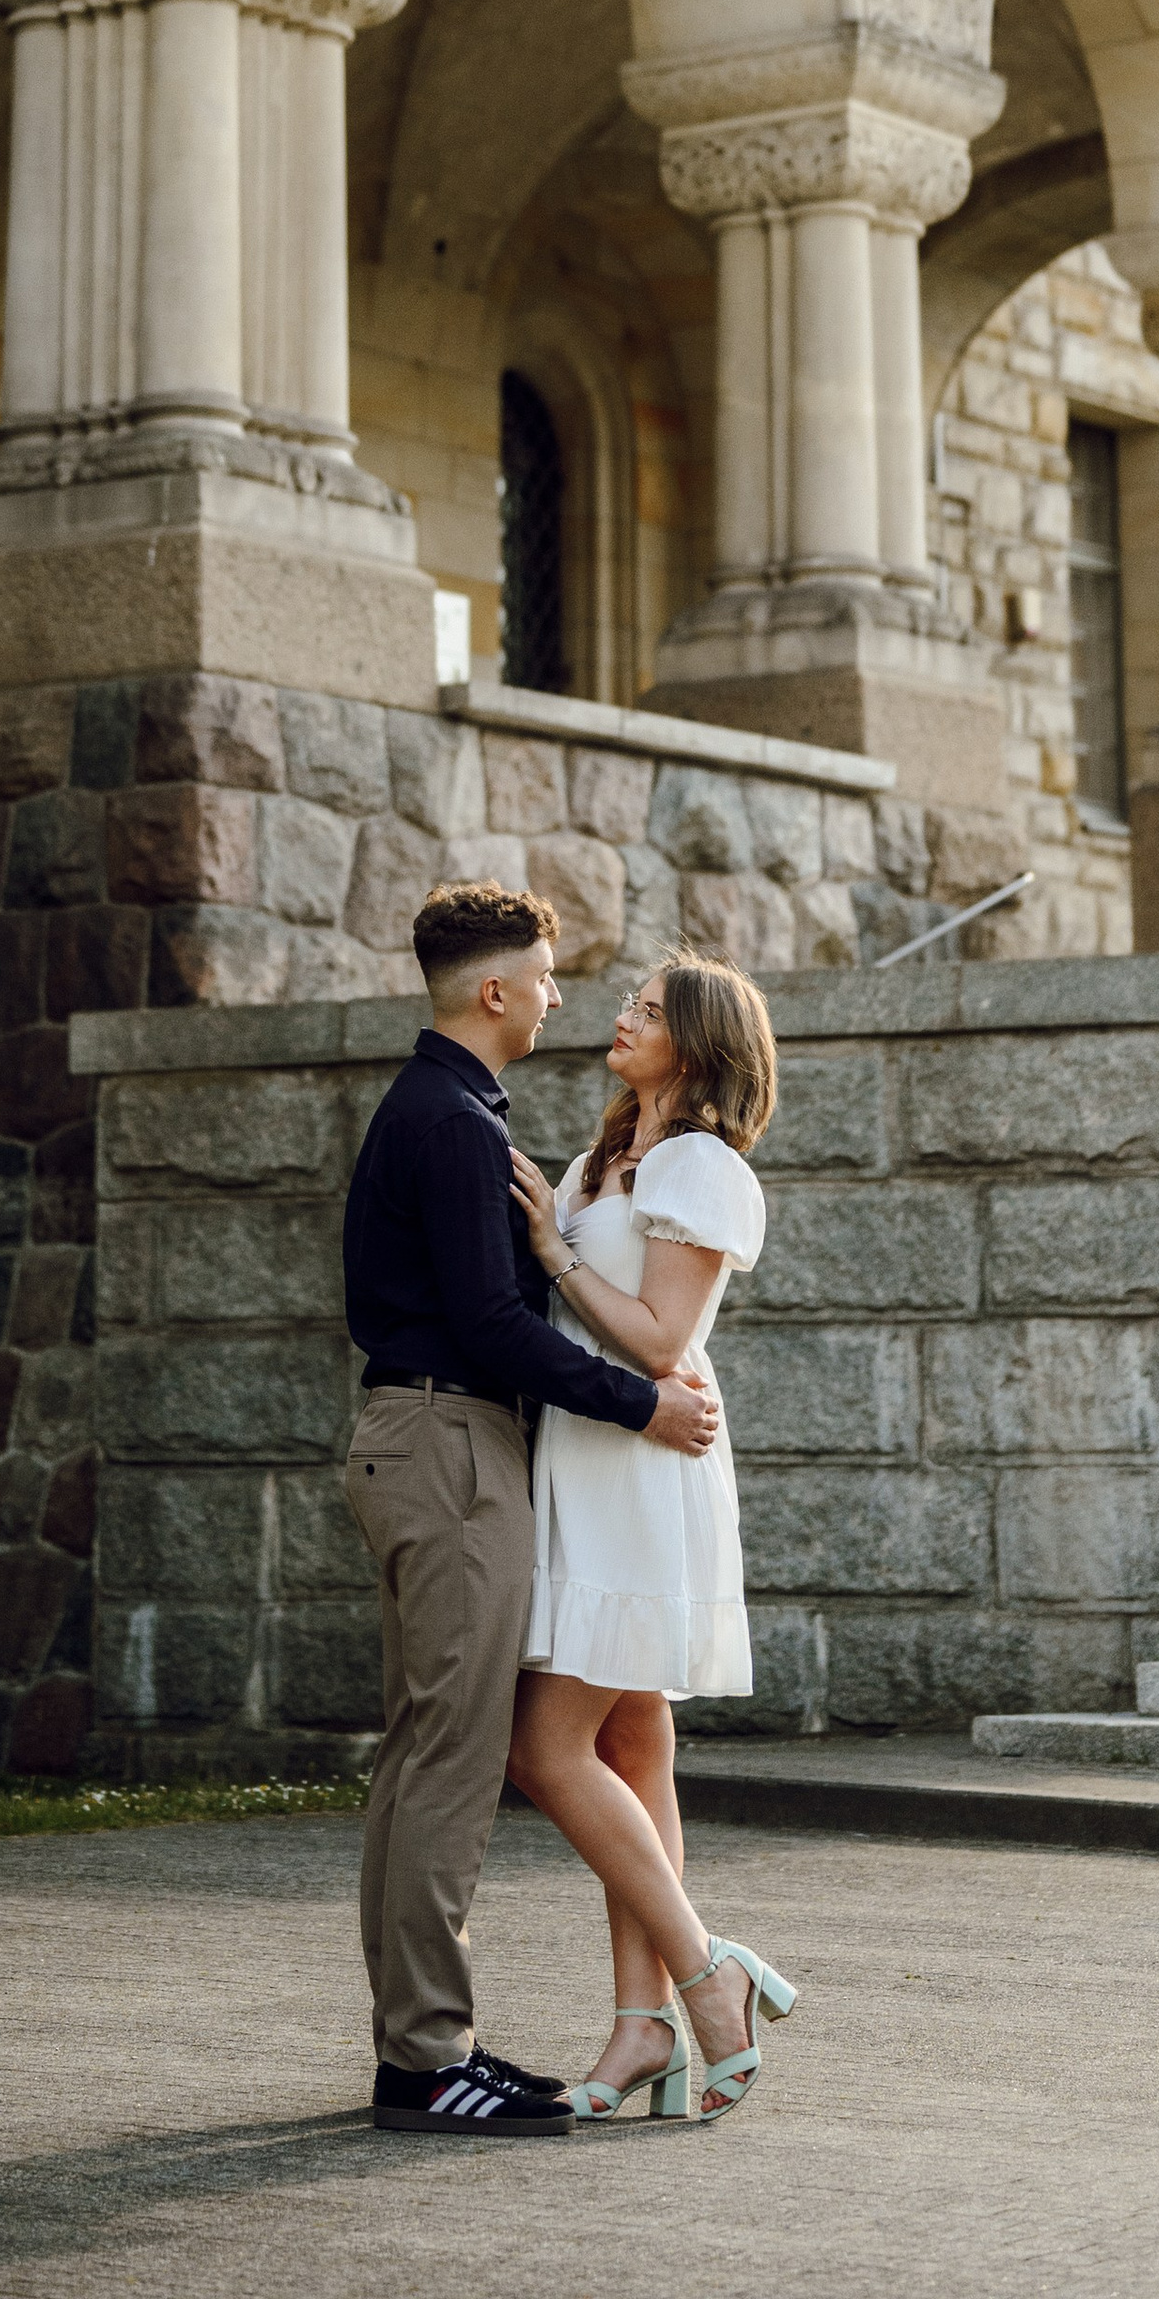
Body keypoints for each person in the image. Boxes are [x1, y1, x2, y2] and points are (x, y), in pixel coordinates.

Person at [341, 879, 723, 2138]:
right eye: (548, 976)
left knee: (425, 1750)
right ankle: (426, 2059)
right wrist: (639, 1402)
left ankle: (419, 2047)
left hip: (433, 1441)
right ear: (496, 988)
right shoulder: (452, 1120)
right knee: (452, 1760)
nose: (561, 996)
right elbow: (493, 1324)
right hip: (449, 1445)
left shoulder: (446, 1108)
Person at [505, 949, 796, 2122]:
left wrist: (553, 1250)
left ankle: (706, 1970)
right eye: (628, 1002)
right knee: (631, 1749)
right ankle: (641, 2026)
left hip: (641, 1465)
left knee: (545, 1748)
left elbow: (663, 1336)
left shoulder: (699, 1164)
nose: (621, 1018)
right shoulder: (600, 1159)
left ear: (700, 1042)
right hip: (585, 1458)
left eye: (649, 1010)